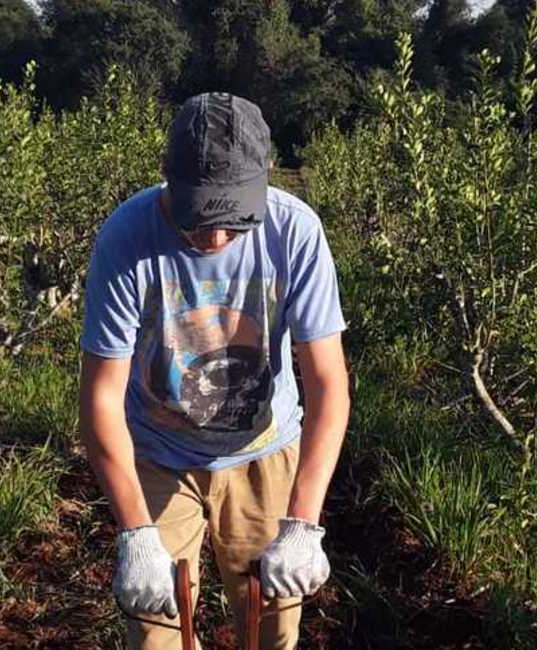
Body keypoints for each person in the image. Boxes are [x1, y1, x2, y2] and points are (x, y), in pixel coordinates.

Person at [77, 92, 350, 650]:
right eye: (199, 217)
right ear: (166, 178)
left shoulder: (295, 233)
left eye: (233, 219)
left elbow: (328, 386)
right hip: (157, 452)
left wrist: (303, 523)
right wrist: (136, 533)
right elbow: (101, 398)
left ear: (264, 179)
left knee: (273, 625)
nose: (216, 239)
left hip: (264, 452)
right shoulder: (126, 238)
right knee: (155, 632)